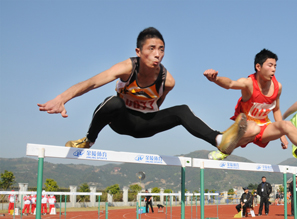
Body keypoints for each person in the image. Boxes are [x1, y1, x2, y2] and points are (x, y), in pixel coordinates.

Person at [38, 27, 247, 158]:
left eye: (162, 49)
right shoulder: (127, 68)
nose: (157, 54)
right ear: (139, 51)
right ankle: (88, 140)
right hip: (122, 120)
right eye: (152, 48)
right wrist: (61, 98)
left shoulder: (168, 80)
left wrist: (147, 111)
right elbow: (92, 82)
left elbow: (158, 105)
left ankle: (220, 141)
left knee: (182, 110)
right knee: (113, 102)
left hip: (146, 124)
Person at [203, 49, 297, 164]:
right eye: (270, 65)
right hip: (244, 126)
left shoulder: (278, 87)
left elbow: (276, 109)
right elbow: (230, 83)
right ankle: (224, 151)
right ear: (258, 67)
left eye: (275, 66)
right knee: (253, 129)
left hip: (263, 127)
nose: (274, 69)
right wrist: (215, 79)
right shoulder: (248, 83)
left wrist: (282, 134)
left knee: (287, 125)